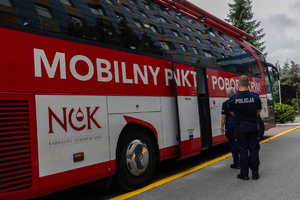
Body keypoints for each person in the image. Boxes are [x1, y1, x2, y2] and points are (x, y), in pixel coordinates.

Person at [229, 75, 262, 180]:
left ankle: (244, 174)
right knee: (254, 149)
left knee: (242, 150)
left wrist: (240, 117)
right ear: (249, 84)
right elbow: (258, 112)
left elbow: (231, 112)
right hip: (252, 125)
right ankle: (255, 174)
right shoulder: (255, 97)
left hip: (240, 126)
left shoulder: (233, 98)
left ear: (238, 84)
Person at [221, 87, 240, 169]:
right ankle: (243, 161)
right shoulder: (238, 102)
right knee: (240, 142)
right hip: (238, 123)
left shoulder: (225, 103)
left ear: (227, 94)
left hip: (229, 124)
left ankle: (236, 162)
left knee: (233, 143)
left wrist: (221, 127)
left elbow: (223, 117)